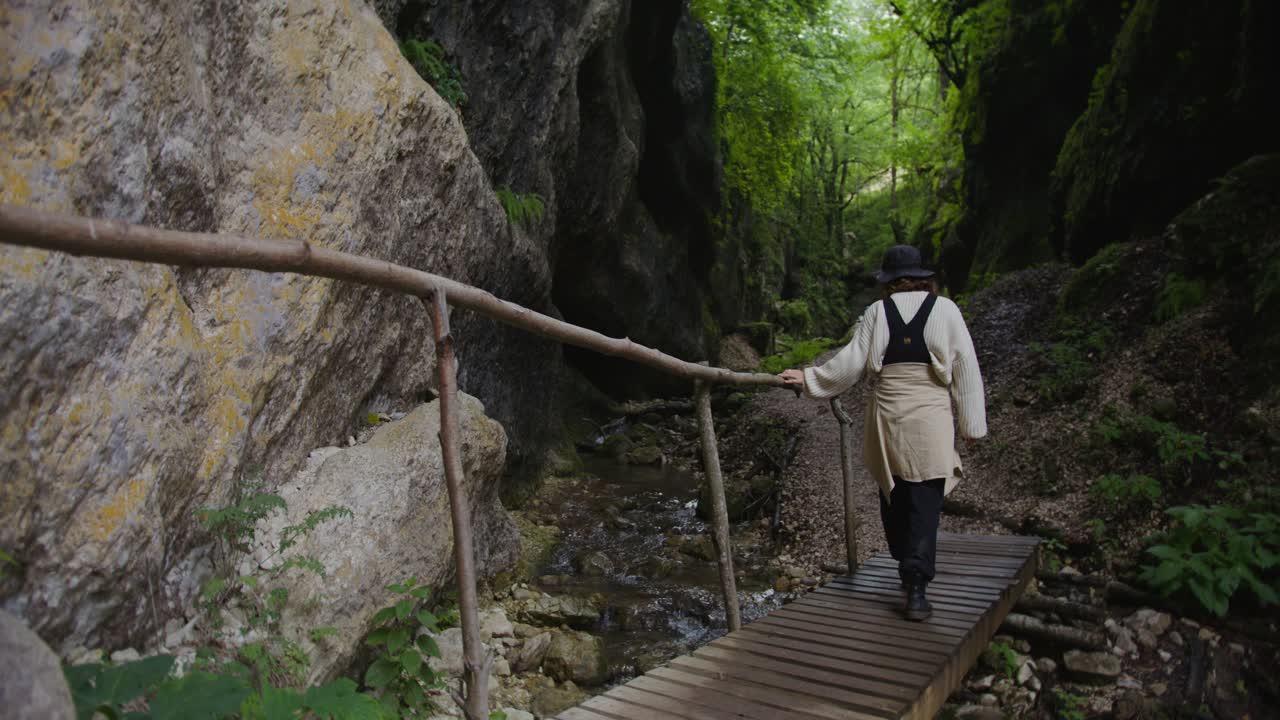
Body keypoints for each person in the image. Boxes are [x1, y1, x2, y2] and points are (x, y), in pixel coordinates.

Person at [778, 245, 986, 621]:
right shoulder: (947, 309)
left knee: (896, 493)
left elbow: (850, 363)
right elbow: (965, 366)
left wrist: (807, 377)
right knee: (926, 498)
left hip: (889, 413)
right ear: (923, 278)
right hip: (932, 416)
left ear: (888, 282)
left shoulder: (876, 313)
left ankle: (908, 569)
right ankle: (917, 586)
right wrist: (971, 423)